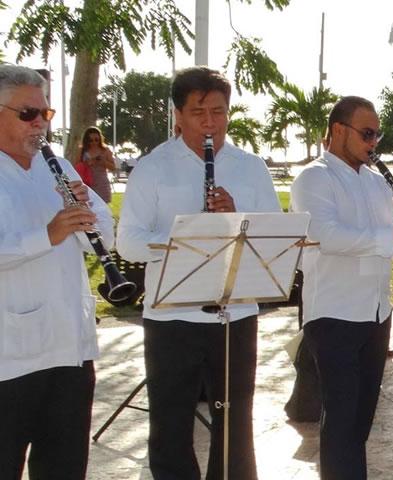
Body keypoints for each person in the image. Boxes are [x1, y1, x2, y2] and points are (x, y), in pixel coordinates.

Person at [117, 66, 280, 480]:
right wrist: (184, 236)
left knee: (235, 424)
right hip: (171, 315)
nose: (210, 123)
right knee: (170, 424)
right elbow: (128, 242)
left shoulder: (250, 166)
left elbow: (274, 233)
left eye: (219, 112)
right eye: (199, 112)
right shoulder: (152, 167)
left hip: (235, 313)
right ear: (178, 114)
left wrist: (235, 215)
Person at [290, 96, 393, 479]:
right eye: (367, 133)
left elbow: (390, 248)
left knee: (361, 419)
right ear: (339, 130)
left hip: (375, 313)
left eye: (377, 134)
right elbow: (326, 235)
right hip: (334, 314)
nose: (374, 142)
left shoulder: (374, 181)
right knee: (340, 418)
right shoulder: (313, 177)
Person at [0, 64, 111, 480]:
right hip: (8, 359)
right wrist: (47, 234)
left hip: (70, 350)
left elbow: (107, 232)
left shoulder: (59, 167)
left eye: (45, 114)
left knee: (64, 470)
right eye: (28, 114)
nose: (39, 124)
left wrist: (87, 216)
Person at [75, 127, 116, 202]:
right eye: (91, 140)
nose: (94, 142)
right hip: (86, 183)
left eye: (96, 140)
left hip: (101, 183)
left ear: (100, 139)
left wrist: (103, 162)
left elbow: (113, 167)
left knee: (103, 208)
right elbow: (76, 166)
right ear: (86, 140)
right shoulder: (82, 150)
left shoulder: (105, 150)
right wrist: (86, 163)